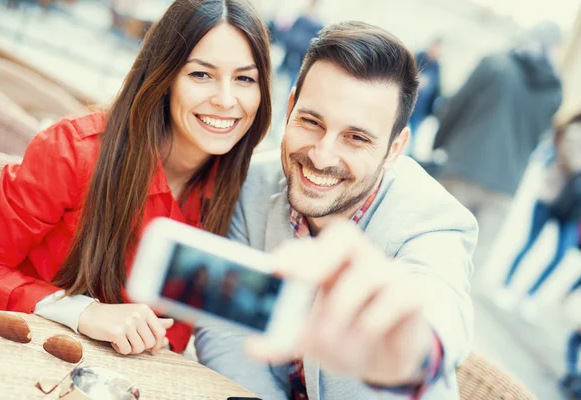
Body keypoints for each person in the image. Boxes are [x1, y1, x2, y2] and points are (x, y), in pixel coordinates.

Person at [195, 21, 477, 399]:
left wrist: (412, 345)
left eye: (356, 138)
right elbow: (224, 329)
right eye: (311, 122)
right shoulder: (249, 184)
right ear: (290, 106)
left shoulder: (434, 221)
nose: (321, 156)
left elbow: (440, 306)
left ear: (395, 148)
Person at [0, 0, 271, 356]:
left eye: (245, 78)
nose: (227, 100)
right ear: (164, 76)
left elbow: (178, 334)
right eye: (201, 74)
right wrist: (80, 310)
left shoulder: (237, 200)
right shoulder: (74, 152)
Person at [432, 21, 563, 267]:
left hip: (463, 167)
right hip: (505, 186)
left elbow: (456, 107)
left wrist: (439, 143)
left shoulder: (495, 65)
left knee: (433, 241)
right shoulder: (554, 91)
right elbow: (538, 138)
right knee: (472, 261)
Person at [496, 114, 581, 306]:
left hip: (574, 209)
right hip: (551, 196)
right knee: (530, 242)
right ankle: (506, 285)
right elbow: (572, 162)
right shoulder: (575, 132)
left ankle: (531, 295)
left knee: (561, 254)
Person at [408, 37, 442, 142]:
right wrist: (418, 79)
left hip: (421, 110)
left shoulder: (437, 66)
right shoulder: (418, 57)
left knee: (413, 136)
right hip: (408, 103)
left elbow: (437, 87)